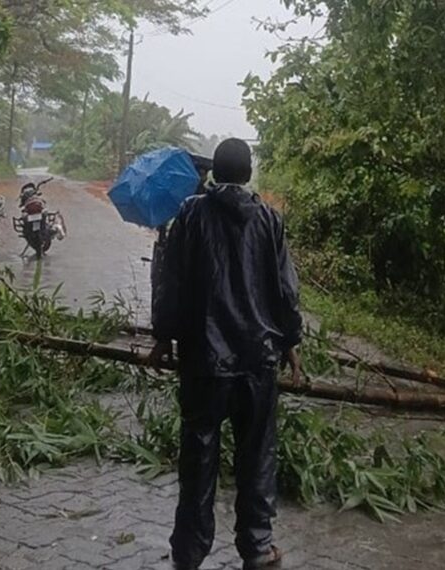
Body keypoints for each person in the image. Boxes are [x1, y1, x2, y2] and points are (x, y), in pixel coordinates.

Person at [150, 138, 302, 570]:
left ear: (214, 172)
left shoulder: (190, 215)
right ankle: (256, 547)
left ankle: (189, 552)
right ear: (249, 173)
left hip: (203, 362)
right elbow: (286, 289)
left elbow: (171, 281)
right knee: (257, 456)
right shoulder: (269, 221)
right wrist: (291, 341)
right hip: (257, 361)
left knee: (198, 457)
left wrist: (164, 336)